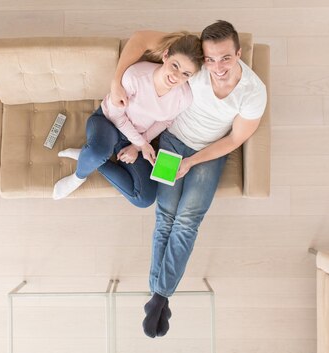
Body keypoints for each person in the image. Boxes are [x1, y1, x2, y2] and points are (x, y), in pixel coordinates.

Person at [109, 21, 267, 337]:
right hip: (171, 141)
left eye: (225, 58)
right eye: (210, 60)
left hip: (209, 152)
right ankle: (160, 296)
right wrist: (116, 83)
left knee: (188, 220)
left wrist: (192, 162)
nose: (217, 67)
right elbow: (140, 37)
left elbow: (234, 140)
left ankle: (159, 295)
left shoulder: (253, 92)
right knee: (166, 215)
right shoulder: (194, 64)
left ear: (238, 53)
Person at [53, 33, 203, 208]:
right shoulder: (135, 77)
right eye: (175, 66)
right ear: (165, 55)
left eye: (185, 74)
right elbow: (117, 116)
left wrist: (136, 146)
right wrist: (142, 144)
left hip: (134, 139)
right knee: (97, 151)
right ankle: (78, 176)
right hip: (107, 122)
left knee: (144, 198)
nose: (176, 77)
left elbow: (165, 122)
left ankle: (88, 158)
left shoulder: (184, 97)